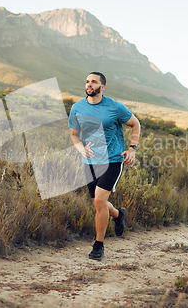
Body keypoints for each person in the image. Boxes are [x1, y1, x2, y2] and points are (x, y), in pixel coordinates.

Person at [68, 72, 140, 261]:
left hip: (113, 160)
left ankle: (98, 245)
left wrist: (132, 149)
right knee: (97, 203)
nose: (89, 85)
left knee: (99, 202)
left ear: (102, 87)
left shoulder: (115, 107)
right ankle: (118, 215)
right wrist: (81, 149)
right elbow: (74, 135)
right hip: (90, 162)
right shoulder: (77, 108)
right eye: (87, 81)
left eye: (93, 82)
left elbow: (135, 124)